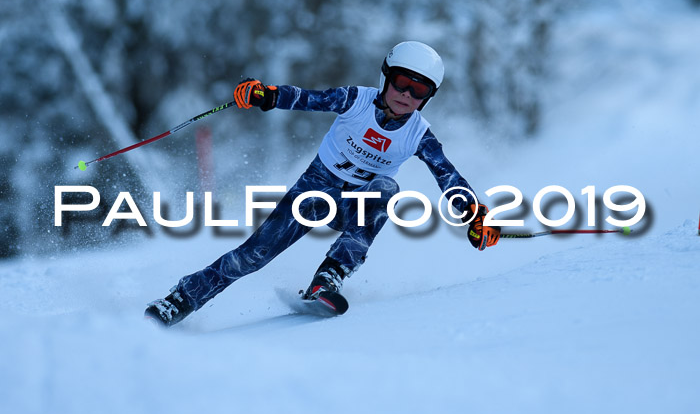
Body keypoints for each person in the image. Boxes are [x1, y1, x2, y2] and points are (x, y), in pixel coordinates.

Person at [145, 41, 501, 326]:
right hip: (314, 191)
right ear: (386, 78)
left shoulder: (418, 134)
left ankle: (327, 278)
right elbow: (307, 98)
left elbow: (448, 175)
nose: (406, 95)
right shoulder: (355, 101)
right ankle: (181, 298)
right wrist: (266, 96)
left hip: (356, 205)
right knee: (253, 255)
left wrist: (473, 215)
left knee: (387, 191)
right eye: (401, 83)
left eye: (419, 90)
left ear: (427, 98)